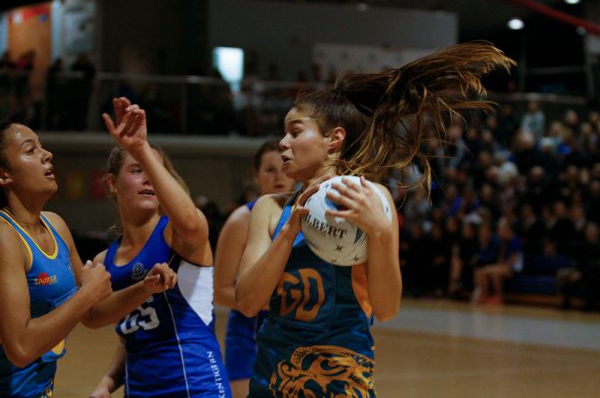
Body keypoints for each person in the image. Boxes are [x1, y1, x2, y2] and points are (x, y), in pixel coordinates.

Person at [235, 41, 515, 396]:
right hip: (274, 380)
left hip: (344, 381)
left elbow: (386, 308)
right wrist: (289, 232)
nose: (282, 143)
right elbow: (246, 302)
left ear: (333, 139)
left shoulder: (373, 199)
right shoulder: (270, 208)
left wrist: (381, 234)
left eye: (294, 131)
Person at [0, 121, 176, 397]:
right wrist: (87, 294)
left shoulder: (55, 225)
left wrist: (144, 288)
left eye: (42, 146)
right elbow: (21, 348)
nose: (47, 154)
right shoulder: (4, 237)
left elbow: (93, 312)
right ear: (4, 174)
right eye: (30, 150)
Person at [89, 97, 231, 398]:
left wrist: (140, 147)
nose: (149, 180)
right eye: (137, 170)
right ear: (112, 184)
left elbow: (194, 224)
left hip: (195, 384)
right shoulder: (106, 259)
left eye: (154, 172)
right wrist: (107, 382)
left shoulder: (176, 234)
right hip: (139, 388)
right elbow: (112, 325)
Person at [214, 140, 295, 398]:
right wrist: (267, 301)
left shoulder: (306, 215)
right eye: (269, 170)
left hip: (295, 335)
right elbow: (219, 291)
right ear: (256, 176)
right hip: (248, 337)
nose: (279, 176)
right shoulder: (241, 220)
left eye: (284, 167)